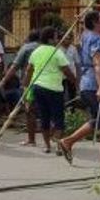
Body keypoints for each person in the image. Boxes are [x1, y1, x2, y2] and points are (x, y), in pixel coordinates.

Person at [58, 11, 100, 169]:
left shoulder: (87, 36)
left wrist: (81, 22)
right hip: (96, 86)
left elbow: (83, 34)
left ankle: (68, 142)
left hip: (92, 85)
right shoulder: (94, 39)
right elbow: (98, 64)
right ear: (95, 23)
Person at [26, 27, 78, 155]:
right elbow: (66, 70)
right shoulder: (57, 52)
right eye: (56, 37)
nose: (58, 40)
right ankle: (58, 146)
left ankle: (47, 145)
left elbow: (29, 70)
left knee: (44, 116)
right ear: (50, 39)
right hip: (54, 89)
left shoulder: (36, 51)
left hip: (38, 88)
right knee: (58, 118)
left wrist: (26, 85)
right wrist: (76, 82)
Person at [1, 29, 40, 146]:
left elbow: (14, 67)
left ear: (29, 38)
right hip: (48, 83)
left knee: (30, 111)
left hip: (30, 83)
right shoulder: (48, 48)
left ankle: (31, 139)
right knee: (48, 111)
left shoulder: (26, 48)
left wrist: (4, 80)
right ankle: (52, 140)